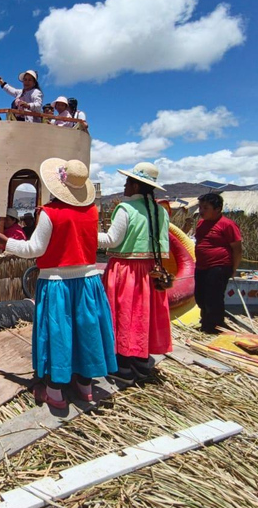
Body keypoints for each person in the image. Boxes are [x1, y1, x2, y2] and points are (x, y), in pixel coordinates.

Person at [0, 159, 117, 408]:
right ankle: (86, 388)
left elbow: (34, 248)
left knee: (59, 333)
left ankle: (55, 394)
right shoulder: (91, 211)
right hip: (89, 283)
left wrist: (6, 242)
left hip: (58, 284)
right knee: (85, 333)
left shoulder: (49, 213)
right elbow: (93, 238)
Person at [98, 162, 171, 384]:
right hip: (151, 271)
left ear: (136, 187)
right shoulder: (160, 211)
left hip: (126, 271)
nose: (124, 185)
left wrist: (84, 234)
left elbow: (111, 240)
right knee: (142, 315)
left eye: (128, 182)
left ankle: (123, 367)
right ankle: (140, 362)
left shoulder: (125, 209)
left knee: (123, 314)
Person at [194, 193, 242, 334]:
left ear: (218, 209)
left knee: (213, 298)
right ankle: (206, 321)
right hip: (202, 266)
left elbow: (237, 249)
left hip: (219, 266)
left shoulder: (227, 225)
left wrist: (233, 268)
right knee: (200, 297)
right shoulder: (201, 223)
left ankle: (214, 327)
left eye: (205, 208)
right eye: (200, 207)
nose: (201, 211)